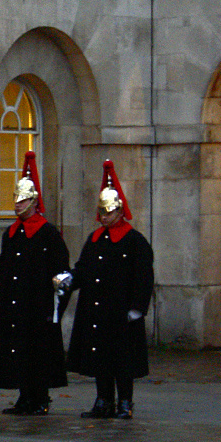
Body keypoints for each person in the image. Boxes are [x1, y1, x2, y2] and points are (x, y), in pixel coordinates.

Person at [0, 150, 70, 415]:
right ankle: (24, 395)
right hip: (16, 301)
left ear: (33, 202)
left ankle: (39, 397)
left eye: (21, 201)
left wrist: (55, 303)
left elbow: (60, 268)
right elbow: (6, 265)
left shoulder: (48, 234)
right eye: (15, 201)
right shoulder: (12, 233)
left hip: (38, 301)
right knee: (18, 352)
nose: (17, 205)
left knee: (37, 354)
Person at [62, 159, 155, 419]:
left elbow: (143, 276)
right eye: (102, 213)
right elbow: (84, 269)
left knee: (122, 360)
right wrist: (71, 278)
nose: (105, 217)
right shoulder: (94, 240)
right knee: (100, 357)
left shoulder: (135, 241)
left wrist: (138, 307)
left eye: (110, 212)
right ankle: (103, 400)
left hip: (122, 310)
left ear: (120, 211)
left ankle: (125, 401)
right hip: (97, 309)